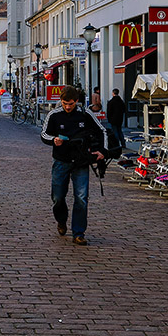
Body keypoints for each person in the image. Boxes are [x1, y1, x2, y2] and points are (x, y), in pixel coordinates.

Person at [41, 85, 106, 246]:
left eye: (71, 103)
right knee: (58, 197)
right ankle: (61, 220)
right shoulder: (54, 115)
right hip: (61, 161)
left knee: (82, 198)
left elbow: (102, 131)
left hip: (80, 162)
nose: (68, 107)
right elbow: (44, 134)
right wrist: (53, 140)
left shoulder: (85, 114)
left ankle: (78, 233)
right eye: (64, 103)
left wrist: (103, 151)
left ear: (76, 101)